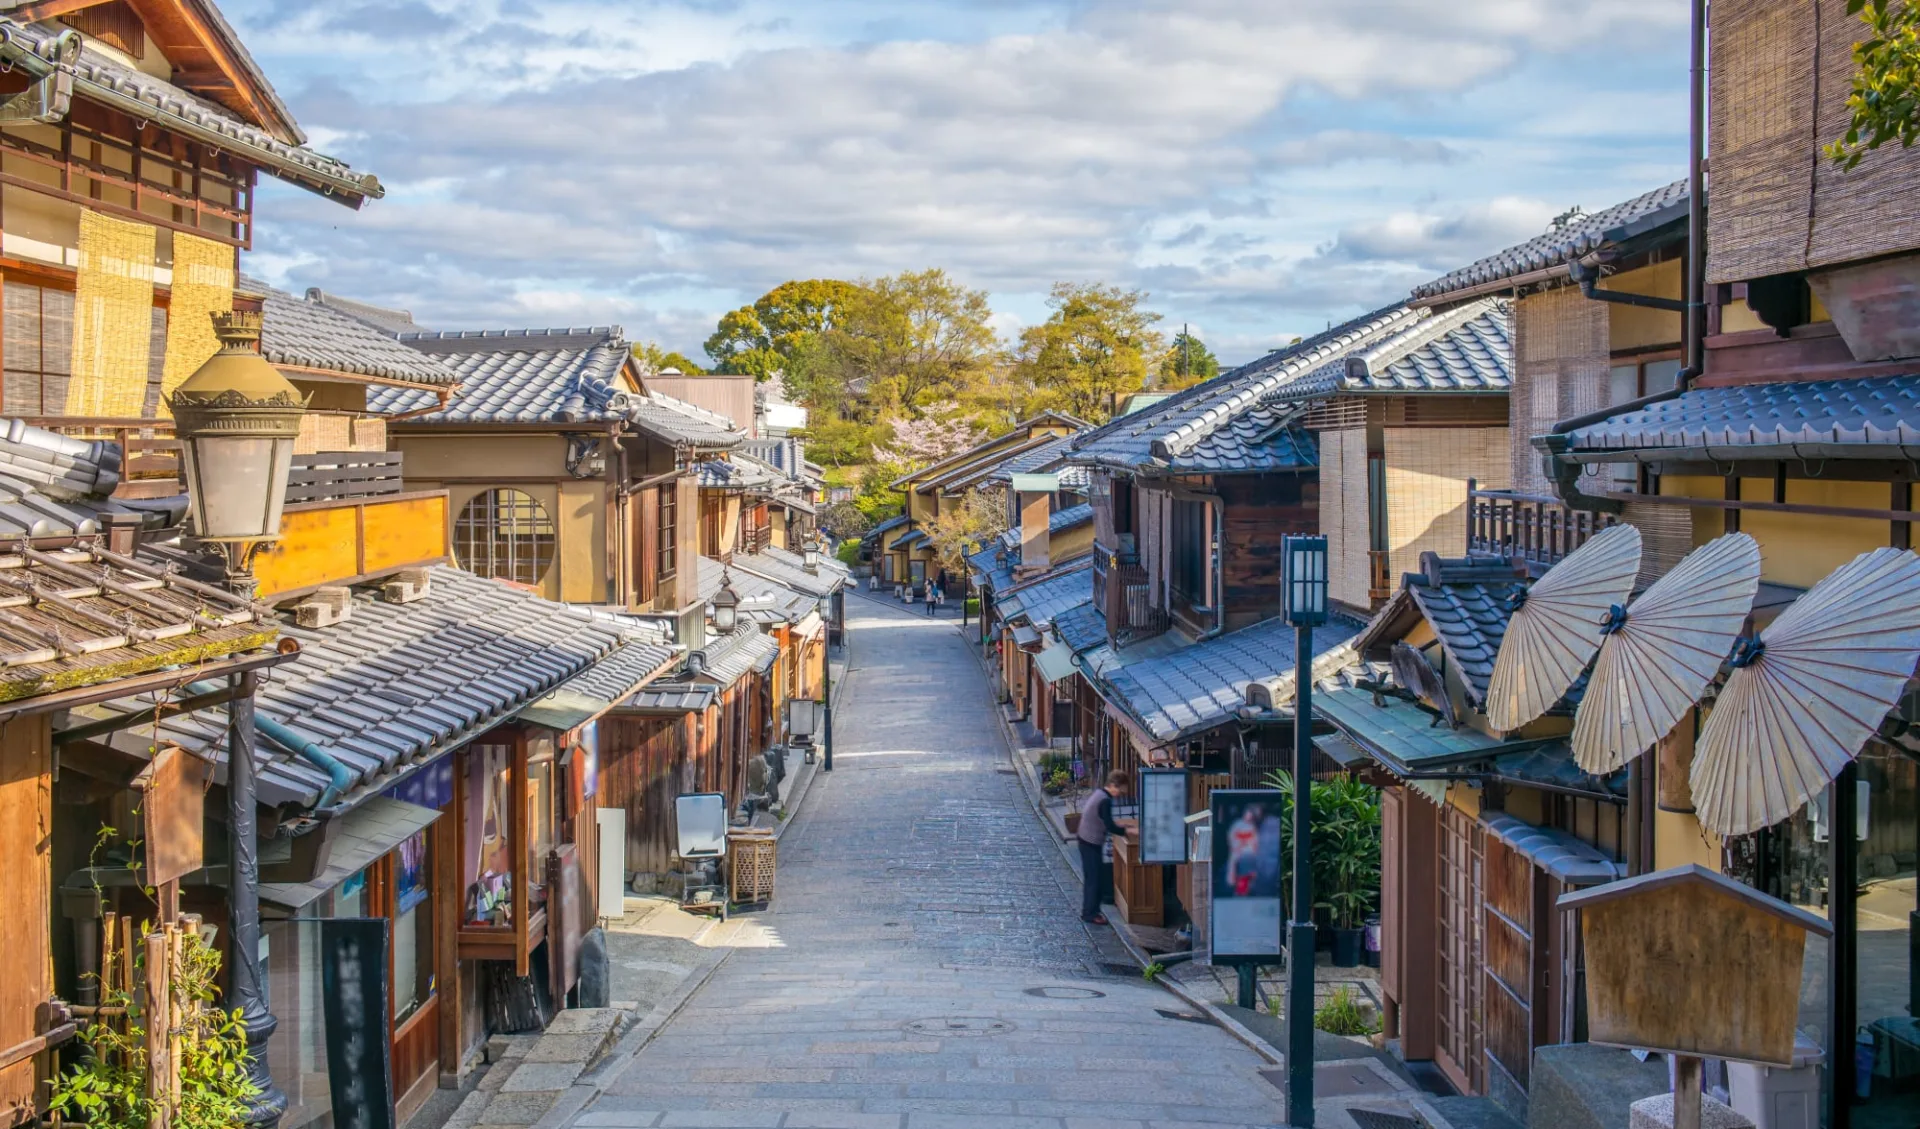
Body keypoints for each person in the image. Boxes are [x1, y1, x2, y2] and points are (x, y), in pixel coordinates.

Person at [1077, 770, 1132, 925]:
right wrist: (1128, 830)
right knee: (1094, 879)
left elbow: (1105, 820)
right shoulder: (1105, 800)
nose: (1120, 794)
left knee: (1093, 878)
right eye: (1120, 790)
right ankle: (1090, 913)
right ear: (1114, 785)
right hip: (1090, 841)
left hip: (1086, 839)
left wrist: (1123, 824)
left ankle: (1091, 910)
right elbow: (1110, 826)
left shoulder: (1100, 794)